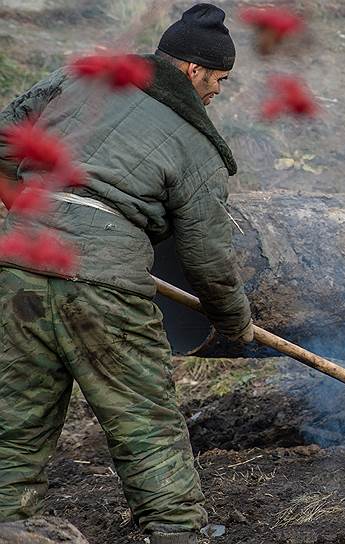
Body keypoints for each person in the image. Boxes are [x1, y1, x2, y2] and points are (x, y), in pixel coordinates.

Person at [0, 4, 252, 544]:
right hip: (103, 283)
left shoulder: (81, 77)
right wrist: (235, 321)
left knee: (14, 408)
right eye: (219, 81)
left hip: (16, 266)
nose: (217, 93)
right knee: (143, 414)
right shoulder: (197, 146)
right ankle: (177, 530)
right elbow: (208, 256)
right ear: (192, 70)